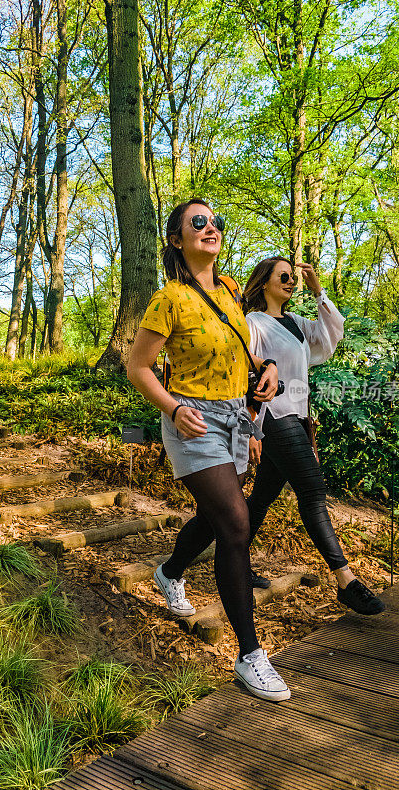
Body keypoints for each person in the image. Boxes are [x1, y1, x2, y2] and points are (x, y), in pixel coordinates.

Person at [127, 199, 292, 702]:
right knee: (237, 524)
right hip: (193, 421)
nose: (210, 227)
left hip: (236, 418)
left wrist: (267, 371)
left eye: (215, 221)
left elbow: (240, 354)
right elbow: (137, 368)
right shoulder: (168, 298)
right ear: (177, 240)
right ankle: (249, 655)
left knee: (217, 517)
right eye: (197, 222)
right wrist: (173, 409)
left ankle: (169, 571)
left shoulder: (229, 292)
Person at [244, 257, 385, 615]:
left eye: (293, 277)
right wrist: (249, 428)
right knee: (313, 491)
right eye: (284, 277)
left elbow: (331, 333)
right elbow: (243, 372)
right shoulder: (253, 323)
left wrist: (318, 289)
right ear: (264, 283)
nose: (291, 282)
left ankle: (235, 563)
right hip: (274, 416)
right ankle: (345, 580)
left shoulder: (294, 323)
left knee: (262, 497)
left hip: (298, 417)